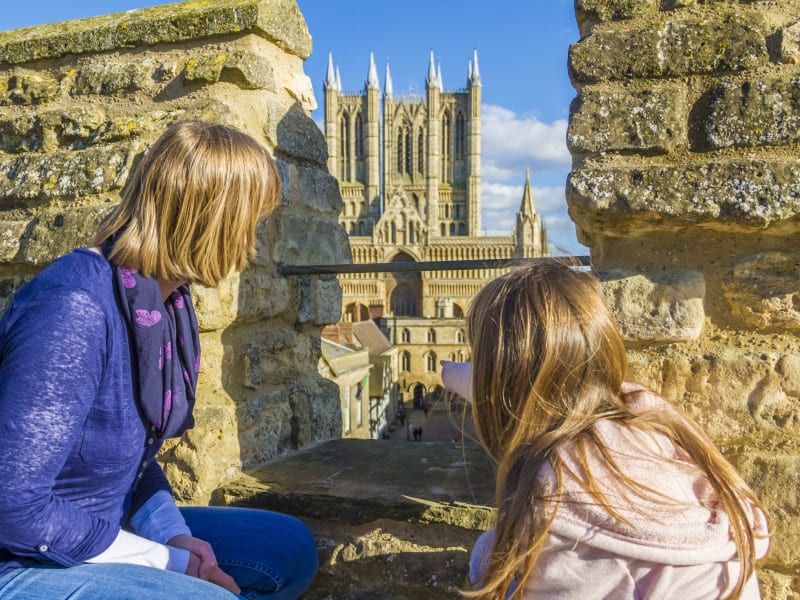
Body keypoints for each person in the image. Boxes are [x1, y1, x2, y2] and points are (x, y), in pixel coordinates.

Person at [0, 121, 318, 600]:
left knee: (289, 548)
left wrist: (171, 533)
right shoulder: (74, 308)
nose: (254, 239)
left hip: (108, 520)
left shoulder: (161, 302)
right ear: (213, 221)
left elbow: (135, 456)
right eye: (251, 219)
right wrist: (166, 562)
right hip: (22, 558)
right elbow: (12, 506)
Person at [441, 259, 769, 600]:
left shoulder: (543, 521)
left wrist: (484, 558)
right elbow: (558, 386)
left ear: (499, 390)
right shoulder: (668, 439)